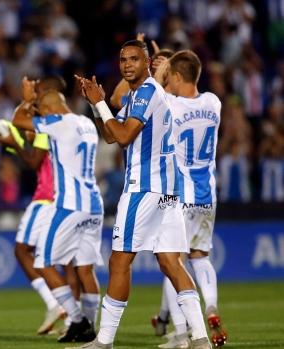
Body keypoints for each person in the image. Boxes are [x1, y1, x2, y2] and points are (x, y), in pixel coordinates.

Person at [72, 39, 212, 349]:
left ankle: (104, 341)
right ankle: (201, 338)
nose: (127, 65)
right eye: (123, 60)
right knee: (171, 263)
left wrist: (100, 104)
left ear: (147, 63)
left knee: (119, 262)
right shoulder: (139, 95)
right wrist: (96, 105)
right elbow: (109, 135)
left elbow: (122, 137)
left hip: (144, 188)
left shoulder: (146, 92)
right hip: (167, 191)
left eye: (134, 59)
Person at [12, 80, 104, 344]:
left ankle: (77, 320)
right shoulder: (86, 123)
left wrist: (28, 100)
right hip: (94, 205)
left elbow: (18, 121)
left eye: (42, 111)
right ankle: (91, 327)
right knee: (85, 270)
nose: (41, 117)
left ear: (51, 107)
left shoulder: (58, 122)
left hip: (69, 205)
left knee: (43, 262)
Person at [153, 50, 225, 348]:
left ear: (177, 76)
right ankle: (210, 304)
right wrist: (172, 64)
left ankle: (181, 335)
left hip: (178, 194)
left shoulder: (171, 104)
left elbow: (154, 91)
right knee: (201, 256)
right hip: (207, 193)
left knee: (173, 261)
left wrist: (160, 70)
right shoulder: (214, 102)